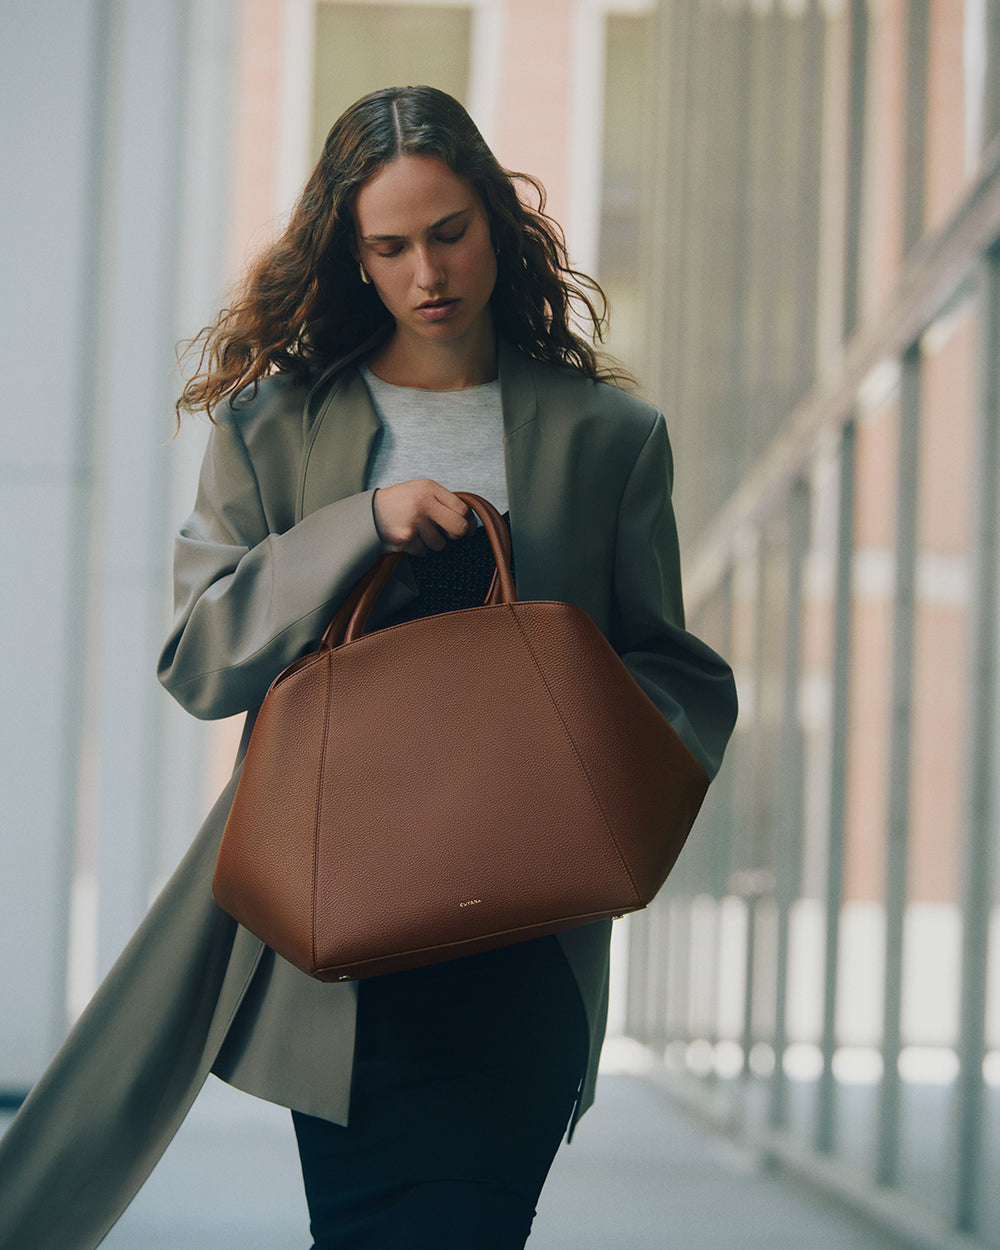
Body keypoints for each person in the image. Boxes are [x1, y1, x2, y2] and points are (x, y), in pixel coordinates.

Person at [0, 86, 737, 1250]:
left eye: (449, 231)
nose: (427, 271)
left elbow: (679, 674)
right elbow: (200, 658)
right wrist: (363, 522)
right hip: (339, 964)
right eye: (389, 246)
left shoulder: (609, 438)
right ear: (352, 258)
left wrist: (578, 766)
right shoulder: (273, 427)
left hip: (525, 951)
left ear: (496, 221)